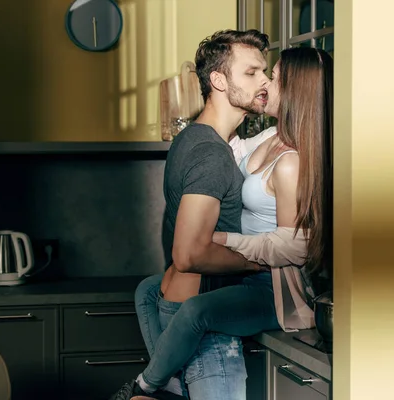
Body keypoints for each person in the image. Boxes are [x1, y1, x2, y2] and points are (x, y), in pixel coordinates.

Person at [108, 28, 272, 400]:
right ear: (218, 80)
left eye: (265, 71)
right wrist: (259, 261)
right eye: (251, 72)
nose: (264, 80)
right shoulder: (211, 154)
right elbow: (189, 254)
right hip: (204, 321)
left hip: (181, 303)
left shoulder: (192, 138)